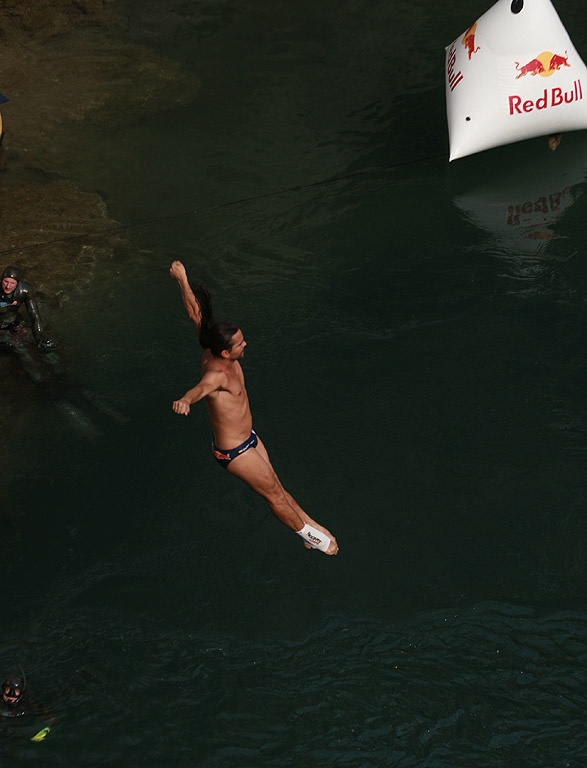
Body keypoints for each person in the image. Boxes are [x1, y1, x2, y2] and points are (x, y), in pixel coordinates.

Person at [170, 260, 338, 555]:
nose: (245, 344)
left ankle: (311, 526)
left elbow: (196, 313)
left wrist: (182, 279)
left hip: (249, 438)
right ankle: (317, 541)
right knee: (273, 495)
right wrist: (185, 400)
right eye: (240, 344)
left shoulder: (211, 346)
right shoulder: (216, 374)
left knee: (276, 486)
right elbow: (199, 390)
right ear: (225, 352)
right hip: (234, 452)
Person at [0, 265, 55, 382]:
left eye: (12, 283)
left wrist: (39, 336)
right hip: (1, 329)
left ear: (18, 283)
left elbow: (34, 315)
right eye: (5, 281)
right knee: (20, 349)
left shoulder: (24, 290)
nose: (8, 286)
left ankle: (59, 372)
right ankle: (39, 381)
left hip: (16, 322)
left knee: (41, 344)